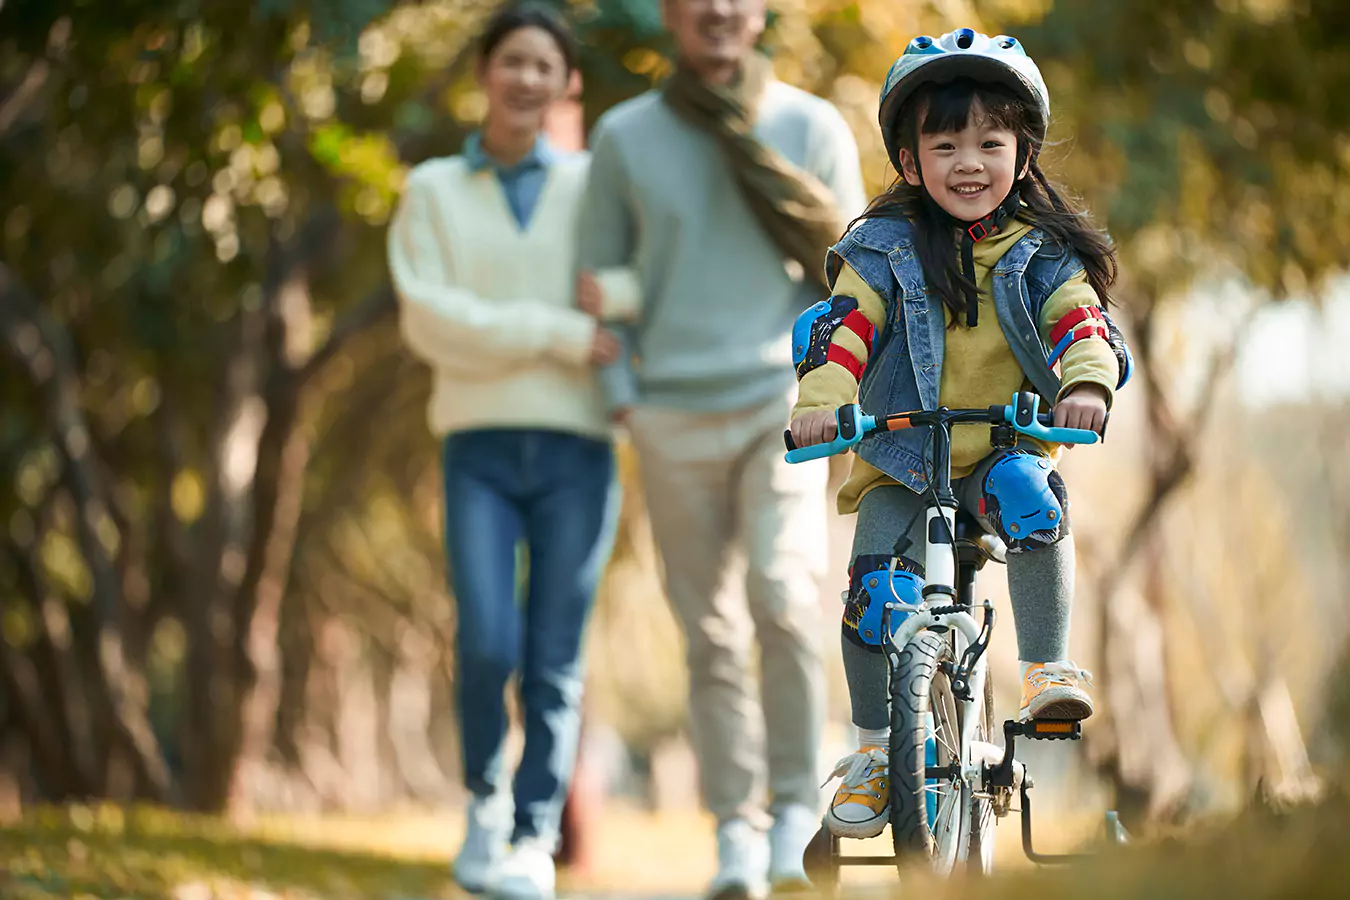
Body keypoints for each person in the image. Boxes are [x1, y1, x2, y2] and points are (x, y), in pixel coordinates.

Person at [786, 28, 1133, 839]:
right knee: (874, 593)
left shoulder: (1041, 252)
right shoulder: (880, 249)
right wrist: (824, 397)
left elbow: (1077, 319)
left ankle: (1046, 667)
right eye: (945, 144)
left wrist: (1085, 380)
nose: (969, 162)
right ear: (910, 162)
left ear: (1023, 151)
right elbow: (843, 327)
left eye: (990, 141)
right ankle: (876, 752)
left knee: (1036, 497)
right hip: (905, 459)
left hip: (1000, 448)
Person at [576, 0, 866, 895]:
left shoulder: (810, 126)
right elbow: (595, 281)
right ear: (668, 12)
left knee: (782, 599)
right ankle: (735, 833)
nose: (717, 9)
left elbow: (860, 276)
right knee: (707, 634)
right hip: (669, 415)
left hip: (781, 408)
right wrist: (625, 400)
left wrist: (837, 391)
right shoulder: (623, 138)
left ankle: (789, 818)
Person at [387, 5, 635, 898]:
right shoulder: (430, 194)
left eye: (546, 66)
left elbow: (639, 285)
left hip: (579, 452)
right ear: (485, 71)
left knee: (554, 658)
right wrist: (563, 333)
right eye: (512, 61)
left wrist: (611, 298)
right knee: (489, 642)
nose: (528, 79)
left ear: (565, 83)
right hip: (478, 449)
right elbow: (431, 322)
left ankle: (534, 838)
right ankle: (485, 804)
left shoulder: (595, 184)